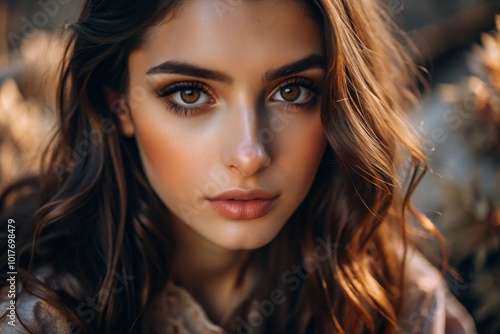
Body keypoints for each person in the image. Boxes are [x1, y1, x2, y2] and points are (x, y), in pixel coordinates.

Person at [0, 0, 477, 333]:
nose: (251, 155)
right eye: (190, 93)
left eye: (292, 91)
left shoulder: (394, 299)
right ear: (119, 104)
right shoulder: (36, 314)